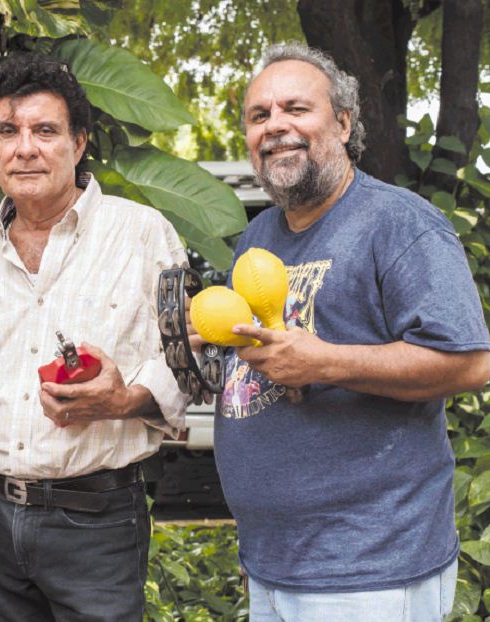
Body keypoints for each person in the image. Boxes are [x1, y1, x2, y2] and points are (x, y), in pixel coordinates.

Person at [191, 42, 490, 621]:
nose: (275, 125)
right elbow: (271, 364)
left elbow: (472, 362)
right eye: (259, 116)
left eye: (296, 109)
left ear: (344, 122)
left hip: (369, 566)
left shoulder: (398, 223)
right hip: (272, 562)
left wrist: (325, 363)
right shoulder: (258, 239)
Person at [0, 53, 187, 621]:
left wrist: (126, 400)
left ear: (79, 142)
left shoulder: (143, 233)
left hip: (96, 520)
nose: (25, 148)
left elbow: (187, 360)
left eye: (45, 131)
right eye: (7, 132)